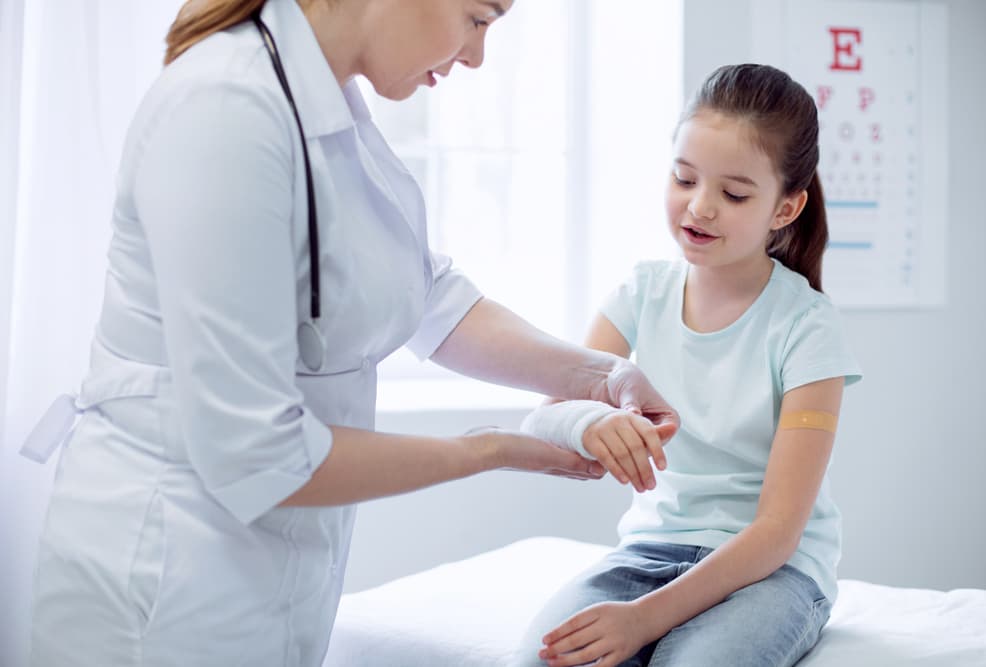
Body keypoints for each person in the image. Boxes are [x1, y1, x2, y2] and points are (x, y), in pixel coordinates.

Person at [25, 1, 680, 665]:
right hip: (162, 579)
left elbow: (423, 296)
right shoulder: (224, 110)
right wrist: (490, 450)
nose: (478, 54)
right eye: (477, 18)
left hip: (265, 574)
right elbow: (258, 453)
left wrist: (600, 375)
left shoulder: (327, 101)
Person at [515, 63, 863, 667]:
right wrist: (587, 424)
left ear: (786, 208)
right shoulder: (641, 294)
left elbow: (778, 533)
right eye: (683, 178)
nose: (698, 208)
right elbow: (541, 422)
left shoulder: (808, 327)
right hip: (646, 555)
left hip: (773, 571)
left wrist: (643, 621)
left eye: (733, 194)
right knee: (541, 659)